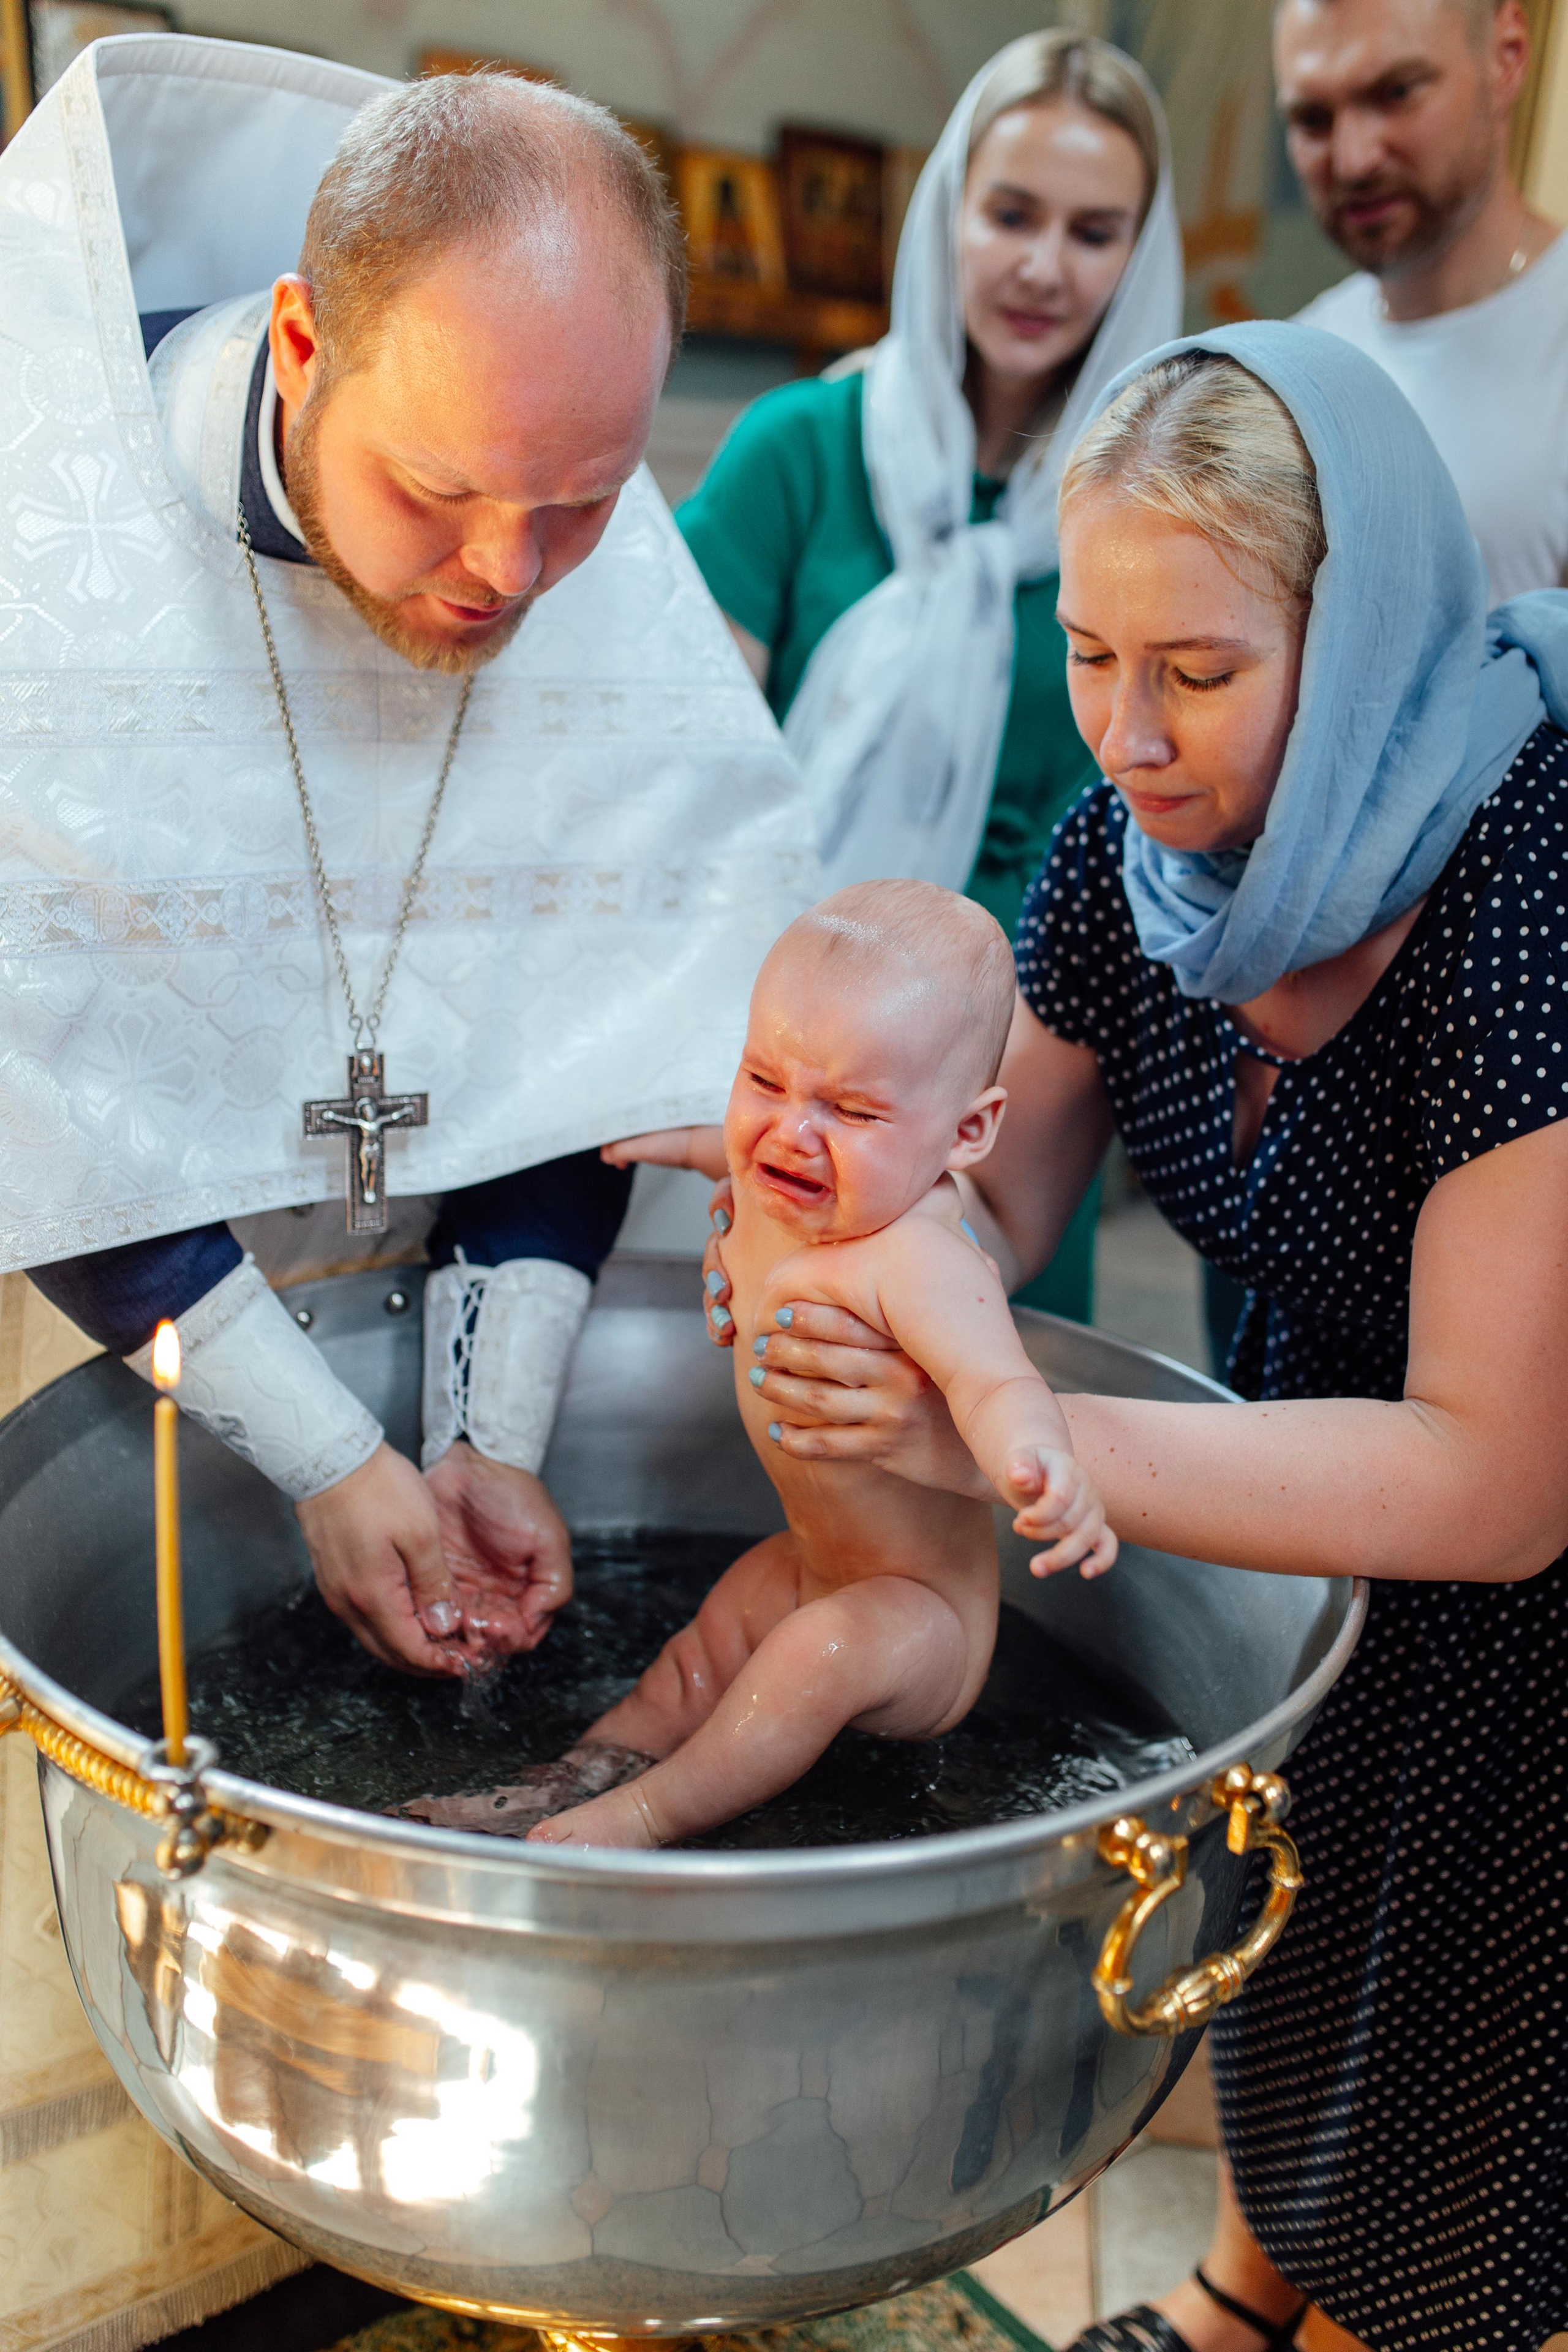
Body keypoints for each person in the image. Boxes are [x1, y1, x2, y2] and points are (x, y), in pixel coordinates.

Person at [699, 324, 1568, 2350]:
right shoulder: (1130, 860)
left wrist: (982, 1446)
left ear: (1353, 644)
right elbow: (993, 1196)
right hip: (1303, 1446)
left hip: (1529, 1539)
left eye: (1198, 672)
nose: (1126, 733)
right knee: (1298, 1909)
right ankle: (1250, 2287)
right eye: (1090, 653)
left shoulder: (1525, 882)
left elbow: (1500, 1484)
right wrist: (844, 1261)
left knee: (1462, 2062)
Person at [0, 40, 812, 1676]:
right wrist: (325, 1454)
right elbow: (43, 1078)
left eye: (579, 508)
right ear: (304, 346)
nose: (508, 577)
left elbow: (590, 1017)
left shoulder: (576, 522)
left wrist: (481, 1436)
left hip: (475, 1286)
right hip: (128, 1317)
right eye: (438, 491)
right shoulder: (47, 539)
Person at [402, 881, 1114, 1850]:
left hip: (920, 1622)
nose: (791, 1132)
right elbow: (727, 1152)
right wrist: (671, 1141)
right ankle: (565, 1781)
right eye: (764, 1081)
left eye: (853, 1109)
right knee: (697, 1663)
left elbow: (997, 1379)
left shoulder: (921, 1259)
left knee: (812, 1657)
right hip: (813, 1563)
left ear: (967, 1134)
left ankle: (642, 1816)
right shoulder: (788, 1178)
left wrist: (1041, 1463)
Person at [674, 31, 1183, 1325]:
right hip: (783, 1064)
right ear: (947, 212)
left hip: (1005, 1092)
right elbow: (678, 776)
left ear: (1139, 257)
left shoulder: (1142, 517)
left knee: (977, 1447)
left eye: (1090, 230)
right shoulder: (800, 452)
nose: (1038, 265)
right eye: (1008, 212)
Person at [1283, 0, 1568, 601]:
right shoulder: (1298, 362)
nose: (1353, 159)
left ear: (1506, 58)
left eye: (1396, 93)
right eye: (1312, 119)